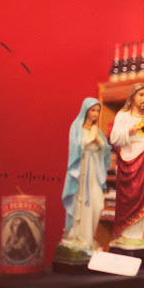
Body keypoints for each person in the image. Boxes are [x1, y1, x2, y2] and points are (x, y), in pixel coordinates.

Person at [109, 83, 144, 247]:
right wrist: (129, 132)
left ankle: (143, 232)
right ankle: (127, 233)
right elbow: (114, 139)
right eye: (141, 95)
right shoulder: (123, 116)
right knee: (130, 198)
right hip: (130, 164)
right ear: (132, 96)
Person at [59, 98, 111, 251]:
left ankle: (89, 238)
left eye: (98, 111)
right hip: (81, 172)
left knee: (97, 203)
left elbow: (106, 152)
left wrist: (99, 143)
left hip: (95, 172)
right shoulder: (76, 128)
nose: (95, 114)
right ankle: (79, 238)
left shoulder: (98, 131)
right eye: (92, 110)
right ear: (86, 111)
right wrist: (90, 141)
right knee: (81, 204)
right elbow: (75, 149)